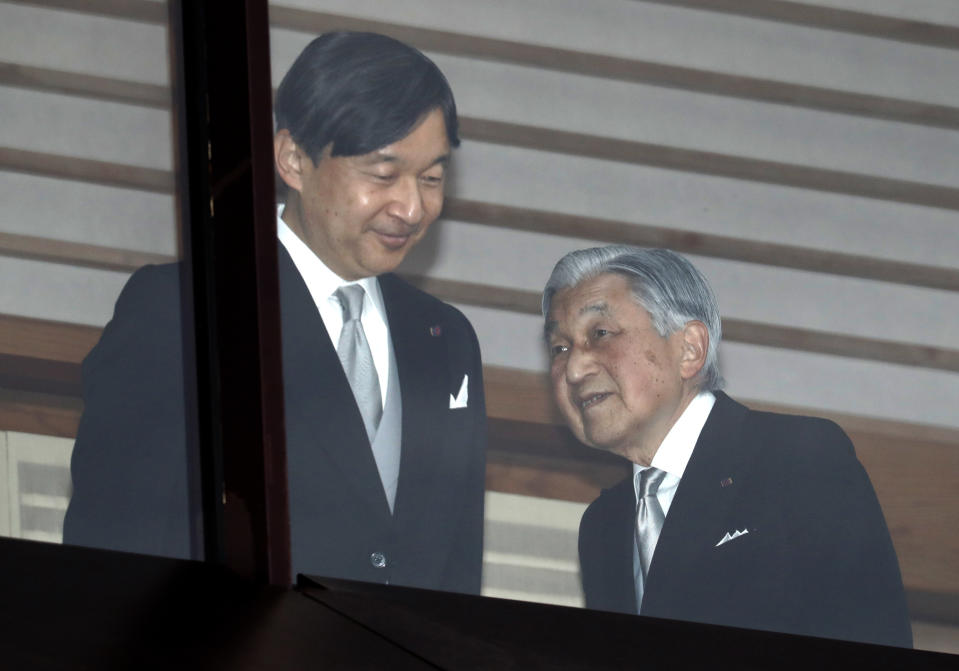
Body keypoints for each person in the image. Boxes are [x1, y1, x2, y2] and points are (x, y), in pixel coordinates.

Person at [64, 32, 487, 595]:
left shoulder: (447, 340)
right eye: (383, 174)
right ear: (292, 158)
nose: (412, 207)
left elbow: (455, 571)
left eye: (432, 178)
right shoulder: (188, 313)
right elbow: (114, 551)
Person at [542, 245, 911, 646]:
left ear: (690, 349)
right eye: (560, 347)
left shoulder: (798, 459)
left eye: (600, 334)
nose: (575, 369)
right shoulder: (603, 526)